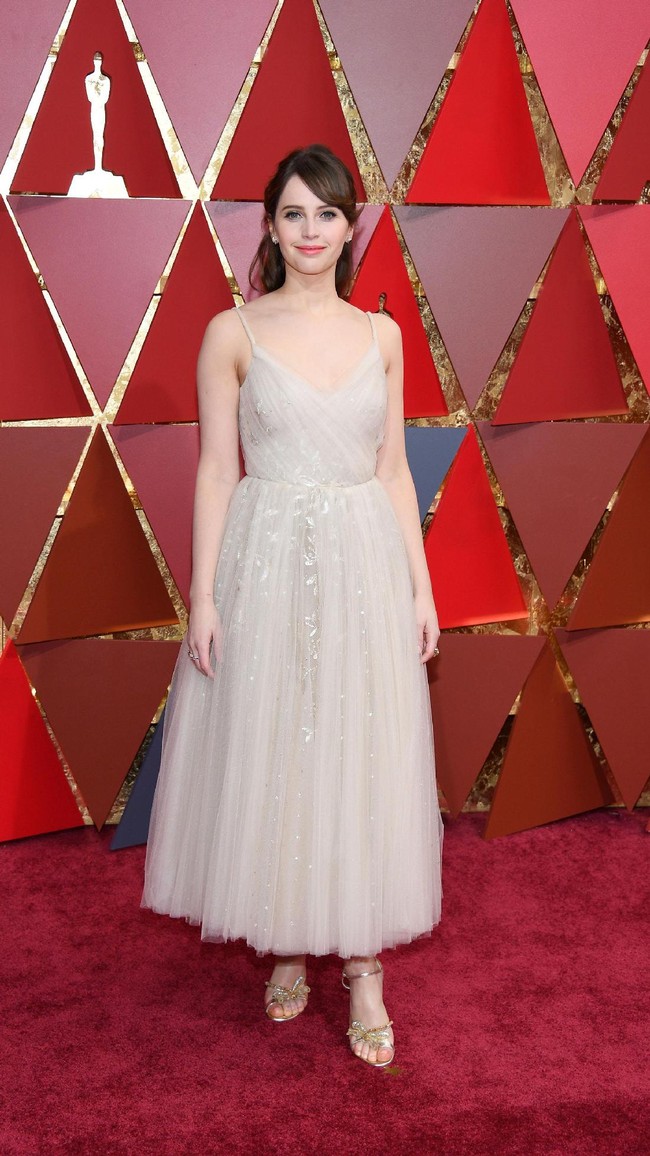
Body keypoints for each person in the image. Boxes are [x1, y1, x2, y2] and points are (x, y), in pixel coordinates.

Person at [142, 144, 444, 1068]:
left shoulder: (383, 336)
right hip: (265, 566)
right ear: (269, 228)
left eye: (327, 213)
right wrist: (202, 598)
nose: (311, 231)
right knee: (280, 745)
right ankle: (284, 939)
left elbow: (392, 471)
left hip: (361, 564)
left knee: (355, 750)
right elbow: (215, 471)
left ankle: (361, 967)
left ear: (352, 225)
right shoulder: (232, 333)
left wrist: (421, 586)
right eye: (292, 214)